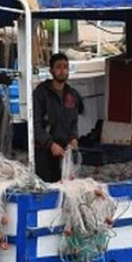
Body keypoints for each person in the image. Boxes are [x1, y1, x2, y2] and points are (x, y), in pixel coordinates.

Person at [33, 52, 81, 182]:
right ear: (51, 70)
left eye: (65, 67)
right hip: (43, 151)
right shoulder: (40, 93)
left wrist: (74, 138)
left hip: (64, 151)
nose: (62, 71)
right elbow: (35, 125)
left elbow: (73, 121)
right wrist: (50, 144)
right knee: (46, 187)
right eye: (58, 67)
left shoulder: (71, 94)